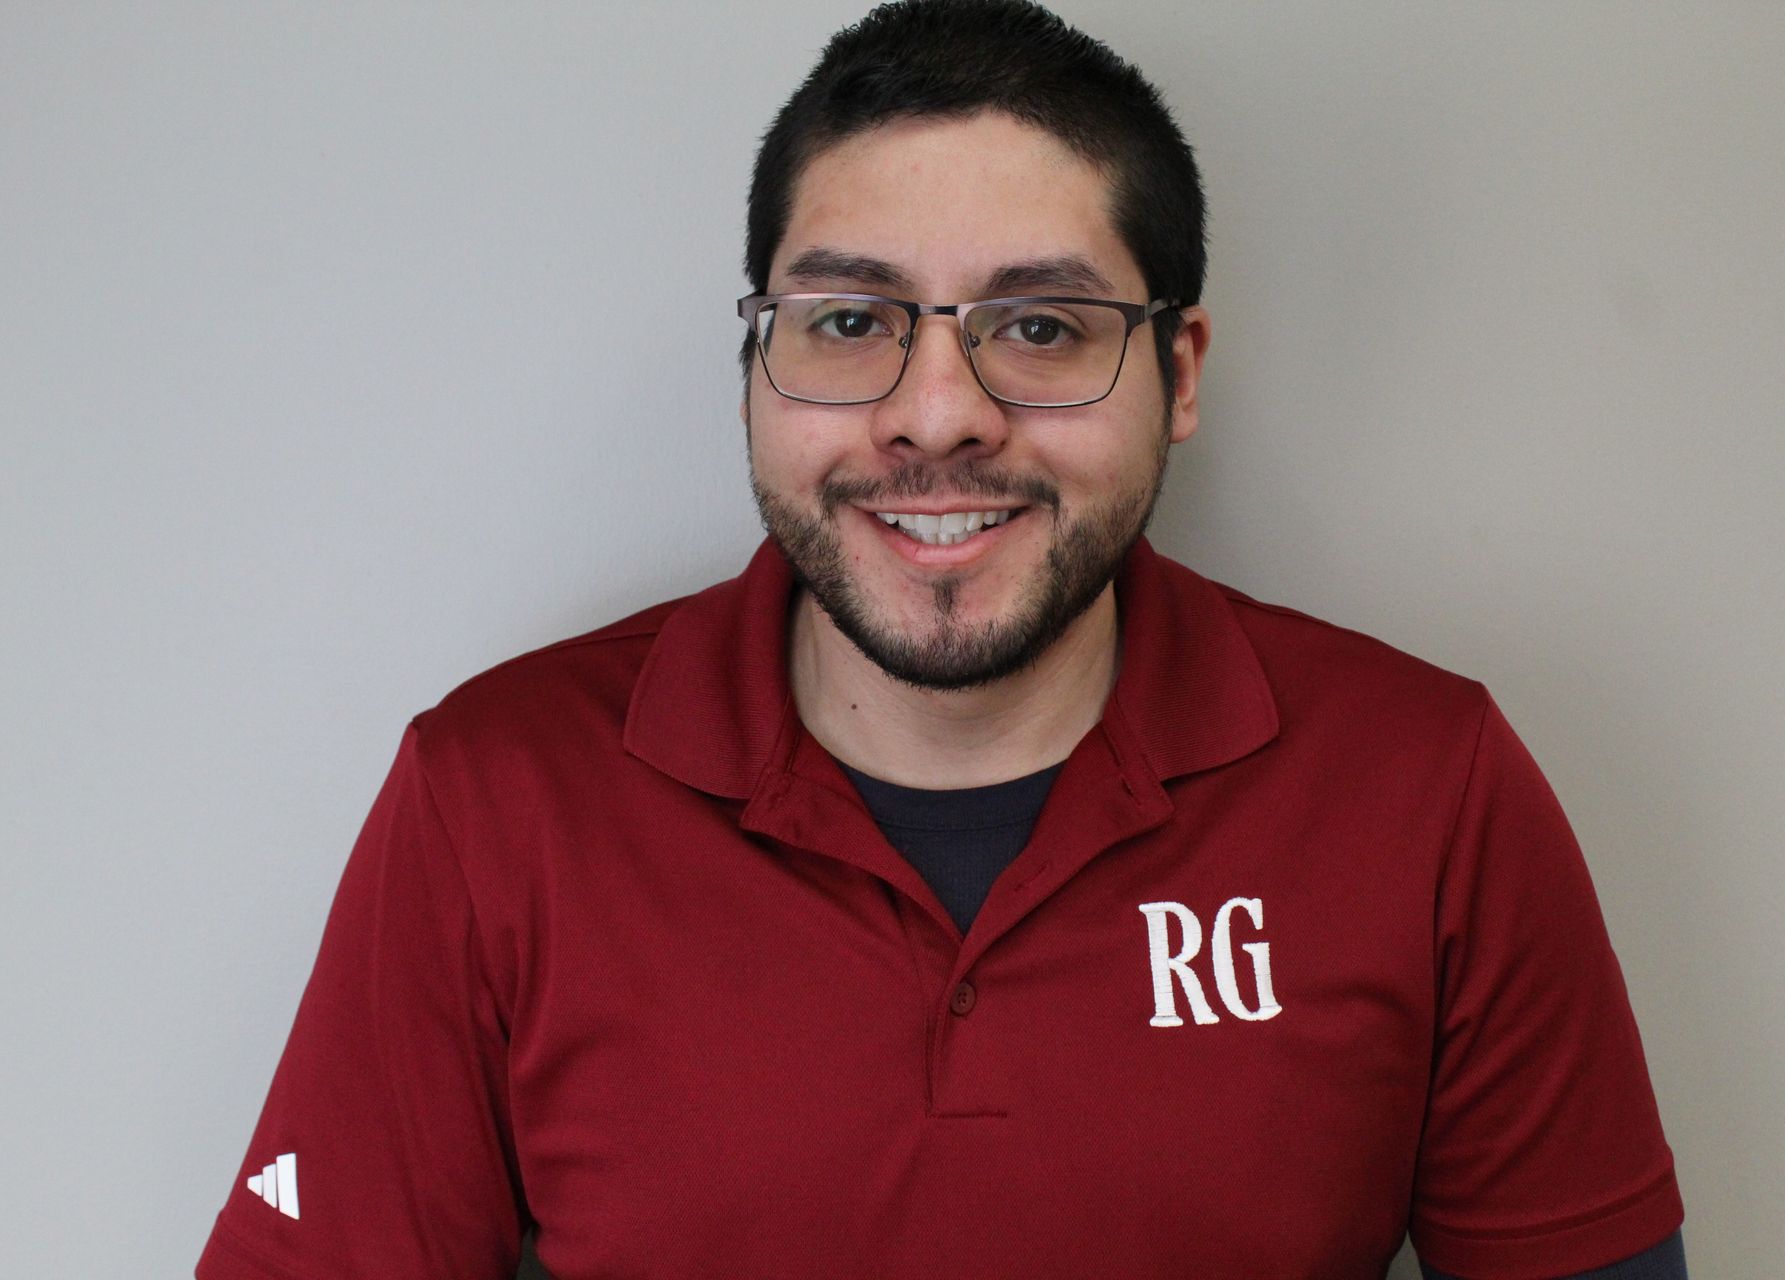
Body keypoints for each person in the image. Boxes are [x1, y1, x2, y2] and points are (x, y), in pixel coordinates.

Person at [198, 3, 1686, 1277]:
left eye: (1040, 328)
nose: (937, 412)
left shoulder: (1429, 791)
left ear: (1176, 373)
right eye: (852, 321)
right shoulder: (493, 800)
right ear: (755, 368)